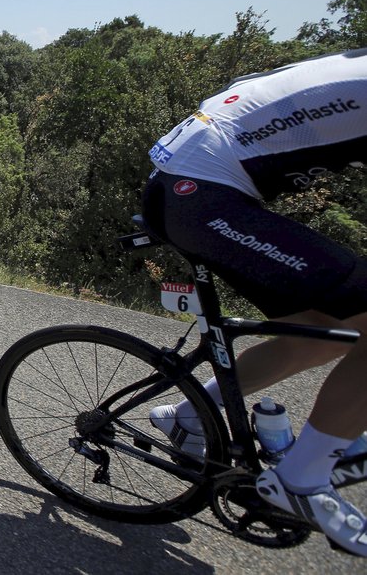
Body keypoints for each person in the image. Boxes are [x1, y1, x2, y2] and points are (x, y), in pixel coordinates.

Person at [140, 48, 367, 556]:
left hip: (198, 182)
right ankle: (302, 478)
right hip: (201, 189)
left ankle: (190, 414)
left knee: (323, 331)